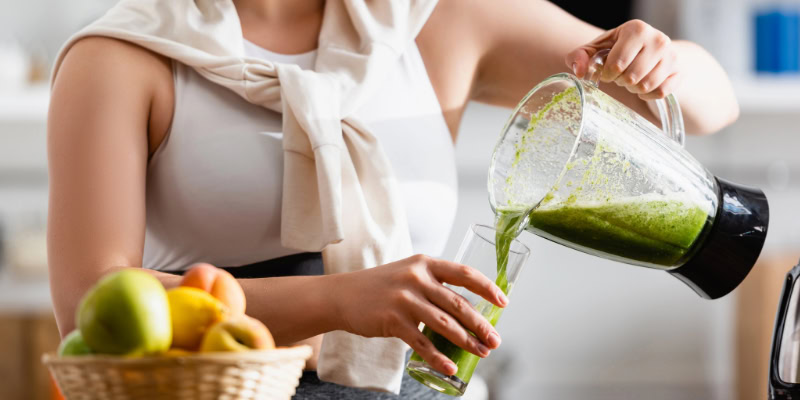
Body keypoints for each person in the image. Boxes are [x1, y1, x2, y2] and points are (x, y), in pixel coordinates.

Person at [47, 0, 739, 397]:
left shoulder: (428, 20)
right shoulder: (123, 53)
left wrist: (661, 60)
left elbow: (711, 105)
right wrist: (340, 301)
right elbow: (88, 301)